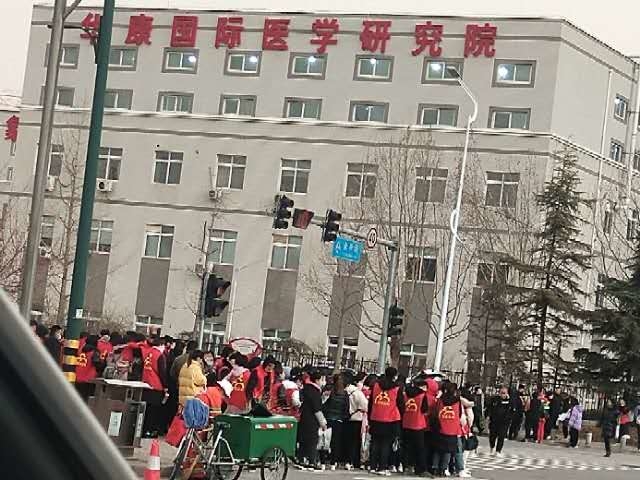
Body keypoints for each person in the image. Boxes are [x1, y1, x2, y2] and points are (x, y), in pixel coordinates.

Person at [369, 367, 404, 476]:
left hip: (375, 417)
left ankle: (372, 466)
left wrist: (370, 416)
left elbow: (371, 402)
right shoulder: (397, 388)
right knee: (385, 444)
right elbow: (400, 405)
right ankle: (382, 467)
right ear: (394, 376)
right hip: (390, 419)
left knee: (375, 442)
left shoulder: (376, 385)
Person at [431, 381, 465, 478]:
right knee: (448, 451)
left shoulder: (440, 400)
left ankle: (434, 467)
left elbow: (436, 412)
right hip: (452, 429)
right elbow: (459, 414)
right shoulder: (457, 401)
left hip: (441, 427)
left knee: (438, 449)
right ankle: (443, 469)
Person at [298, 369, 327, 470]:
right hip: (312, 419)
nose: (323, 382)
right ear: (317, 380)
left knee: (303, 440)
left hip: (303, 417)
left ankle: (300, 459)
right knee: (312, 441)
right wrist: (323, 422)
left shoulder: (305, 388)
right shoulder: (315, 392)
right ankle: (312, 461)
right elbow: (317, 409)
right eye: (322, 380)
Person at [140, 335, 168, 438]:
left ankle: (142, 430)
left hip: (145, 383)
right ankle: (149, 431)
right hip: (156, 385)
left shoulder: (148, 352)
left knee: (145, 410)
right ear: (161, 345)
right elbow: (162, 372)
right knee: (153, 411)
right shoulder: (159, 355)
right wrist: (165, 386)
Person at [401, 375, 429, 476]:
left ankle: (406, 467)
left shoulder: (405, 394)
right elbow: (424, 410)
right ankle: (421, 469)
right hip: (418, 424)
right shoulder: (422, 395)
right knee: (420, 448)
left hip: (406, 423)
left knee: (407, 447)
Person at [322, 373, 350, 470]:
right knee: (336, 442)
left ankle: (323, 462)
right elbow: (346, 408)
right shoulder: (345, 394)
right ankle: (333, 463)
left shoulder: (329, 392)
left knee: (325, 440)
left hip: (328, 418)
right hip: (339, 420)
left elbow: (324, 405)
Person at [345, 373, 368, 470]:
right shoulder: (357, 392)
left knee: (346, 440)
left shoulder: (345, 390)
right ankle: (353, 461)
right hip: (356, 418)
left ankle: (345, 460)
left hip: (345, 418)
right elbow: (365, 406)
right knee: (355, 441)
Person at [487, 386, 513, 457]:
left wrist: (510, 418)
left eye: (504, 393)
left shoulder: (510, 401)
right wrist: (488, 416)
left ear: (507, 393)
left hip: (504, 422)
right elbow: (489, 408)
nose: (502, 395)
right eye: (501, 393)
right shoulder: (495, 399)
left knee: (501, 436)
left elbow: (512, 410)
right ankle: (492, 447)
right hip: (494, 421)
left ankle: (498, 451)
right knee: (492, 436)